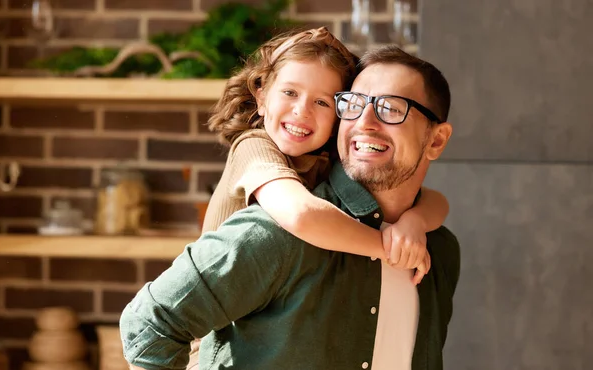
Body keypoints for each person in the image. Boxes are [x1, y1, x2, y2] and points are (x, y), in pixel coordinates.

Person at [120, 45, 459, 370]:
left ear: (437, 140)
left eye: (391, 108)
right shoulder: (280, 230)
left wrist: (413, 224)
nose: (364, 122)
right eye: (353, 104)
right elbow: (151, 321)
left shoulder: (439, 250)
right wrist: (386, 247)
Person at [203, 27, 449, 283]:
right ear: (262, 98)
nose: (302, 111)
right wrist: (390, 250)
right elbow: (301, 214)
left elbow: (437, 200)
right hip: (215, 311)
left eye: (322, 102)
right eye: (290, 93)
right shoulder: (253, 148)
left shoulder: (322, 159)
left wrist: (415, 223)